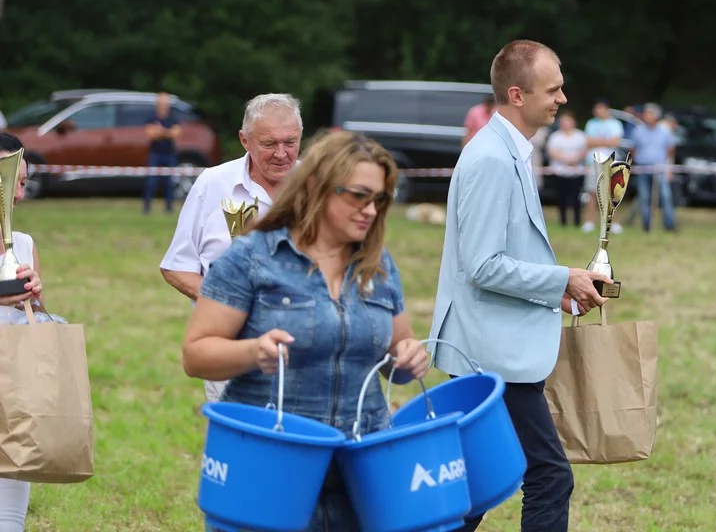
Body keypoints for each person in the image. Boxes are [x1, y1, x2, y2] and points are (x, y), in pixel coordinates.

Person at [182, 130, 429, 532]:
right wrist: (253, 351)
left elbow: (399, 351)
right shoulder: (253, 256)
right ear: (316, 186)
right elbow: (196, 355)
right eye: (357, 195)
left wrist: (410, 356)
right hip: (275, 465)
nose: (370, 209)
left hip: (362, 471)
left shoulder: (378, 265)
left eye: (380, 199)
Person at [428, 40, 610, 532]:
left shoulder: (509, 151)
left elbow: (507, 257)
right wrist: (560, 279)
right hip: (491, 354)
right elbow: (483, 266)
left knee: (476, 486)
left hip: (494, 345)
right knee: (549, 475)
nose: (562, 98)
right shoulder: (490, 158)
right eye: (552, 89)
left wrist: (566, 288)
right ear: (516, 94)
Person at [161, 93, 302, 402]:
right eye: (269, 144)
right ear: (244, 140)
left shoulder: (317, 186)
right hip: (230, 348)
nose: (281, 154)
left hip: (305, 350)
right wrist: (229, 306)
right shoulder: (213, 184)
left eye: (290, 142)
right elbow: (177, 267)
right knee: (242, 442)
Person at [0, 133, 46, 532]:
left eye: (23, 183)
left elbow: (40, 320)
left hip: (13, 388)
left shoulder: (25, 243)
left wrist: (34, 293)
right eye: (12, 181)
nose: (19, 195)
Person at [628, 103, 677, 233]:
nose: (646, 116)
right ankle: (647, 225)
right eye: (646, 113)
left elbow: (670, 150)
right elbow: (633, 149)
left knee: (665, 196)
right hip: (643, 168)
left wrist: (668, 167)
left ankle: (669, 224)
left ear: (656, 116)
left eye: (649, 113)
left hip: (659, 168)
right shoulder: (638, 131)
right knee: (644, 197)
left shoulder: (664, 131)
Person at [581, 100, 625, 234]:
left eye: (600, 108)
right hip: (593, 161)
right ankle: (590, 222)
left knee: (612, 193)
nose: (597, 111)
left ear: (607, 109)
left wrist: (598, 142)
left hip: (610, 161)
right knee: (591, 192)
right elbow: (588, 142)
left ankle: (613, 222)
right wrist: (606, 142)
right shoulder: (591, 123)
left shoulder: (615, 124)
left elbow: (616, 141)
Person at [545, 112, 588, 227]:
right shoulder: (555, 136)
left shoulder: (580, 136)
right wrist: (567, 160)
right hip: (560, 172)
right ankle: (563, 222)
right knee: (561, 198)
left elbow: (584, 151)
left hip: (576, 172)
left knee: (576, 198)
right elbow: (552, 152)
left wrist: (575, 160)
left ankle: (577, 222)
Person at [143, 92, 182, 214]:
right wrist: (167, 133)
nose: (163, 105)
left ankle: (169, 208)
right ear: (157, 104)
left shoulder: (173, 118)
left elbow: (175, 134)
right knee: (151, 182)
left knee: (169, 183)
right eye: (161, 103)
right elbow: (150, 135)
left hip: (169, 154)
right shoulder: (151, 117)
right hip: (155, 153)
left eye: (165, 103)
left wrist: (160, 131)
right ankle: (147, 207)